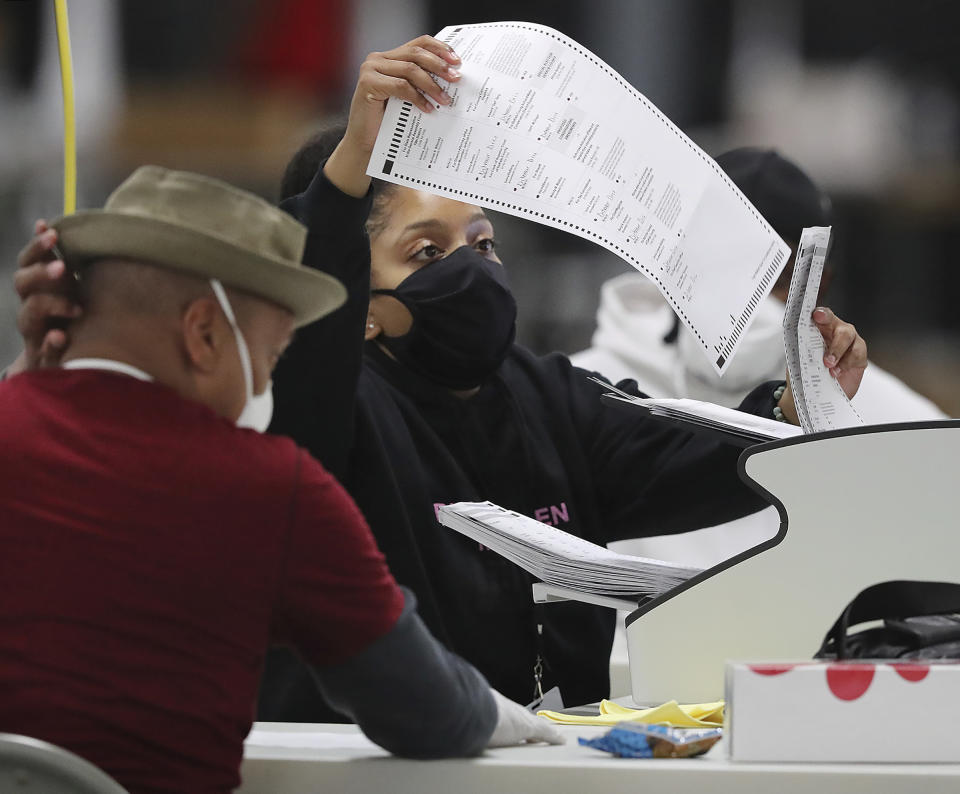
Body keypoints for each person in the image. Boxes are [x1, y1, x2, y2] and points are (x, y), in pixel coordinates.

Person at [12, 37, 868, 722]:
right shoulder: (316, 410)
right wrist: (352, 161)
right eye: (427, 252)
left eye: (484, 243)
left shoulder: (550, 397)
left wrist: (793, 406)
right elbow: (305, 340)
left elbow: (697, 459)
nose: (473, 271)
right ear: (356, 298)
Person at [1, 167, 560, 794]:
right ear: (204, 333)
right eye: (268, 361)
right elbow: (426, 711)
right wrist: (530, 724)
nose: (266, 389)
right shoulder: (268, 489)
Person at [573, 147, 948, 423]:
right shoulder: (584, 403)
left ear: (821, 285)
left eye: (780, 277)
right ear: (676, 265)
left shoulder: (899, 430)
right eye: (725, 268)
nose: (750, 302)